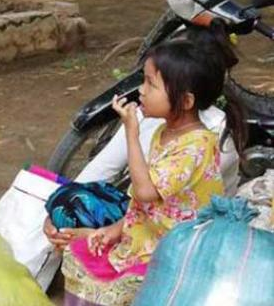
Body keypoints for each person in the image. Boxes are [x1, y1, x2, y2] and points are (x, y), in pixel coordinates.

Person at [59, 27, 242, 306]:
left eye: (150, 84)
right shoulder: (164, 132)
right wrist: (118, 228)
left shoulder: (196, 145)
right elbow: (151, 206)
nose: (140, 91)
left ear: (186, 101)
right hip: (148, 239)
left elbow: (145, 191)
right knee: (81, 251)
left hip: (172, 255)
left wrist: (132, 132)